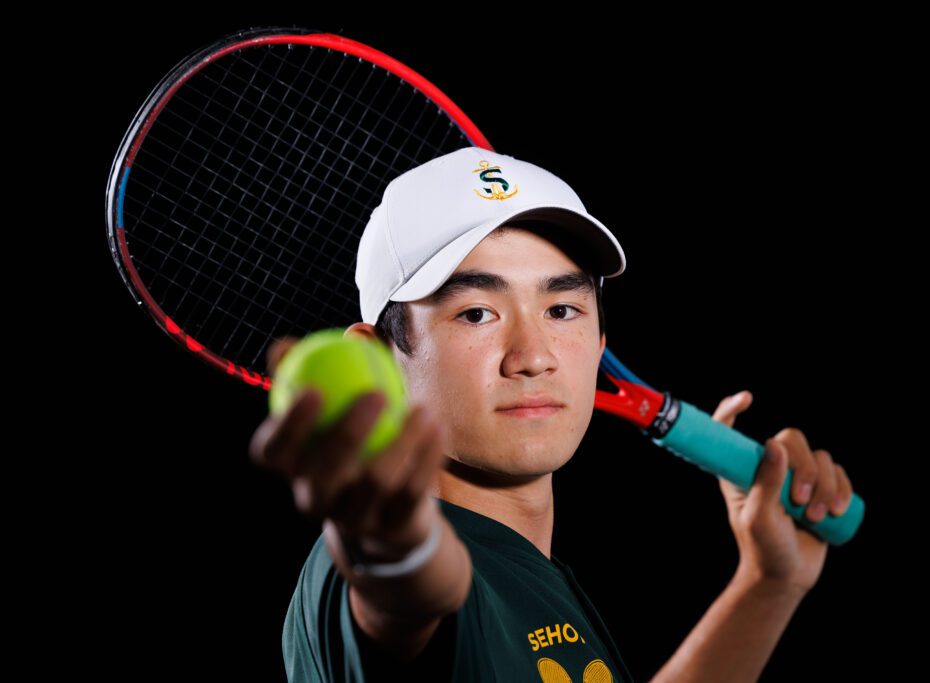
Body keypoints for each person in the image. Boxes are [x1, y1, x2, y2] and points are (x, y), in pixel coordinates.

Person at [250, 146, 855, 682]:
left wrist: (768, 585)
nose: (533, 356)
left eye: (562, 309)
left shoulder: (530, 573)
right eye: (476, 313)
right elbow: (406, 599)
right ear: (377, 359)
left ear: (598, 344)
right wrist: (393, 546)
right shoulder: (360, 564)